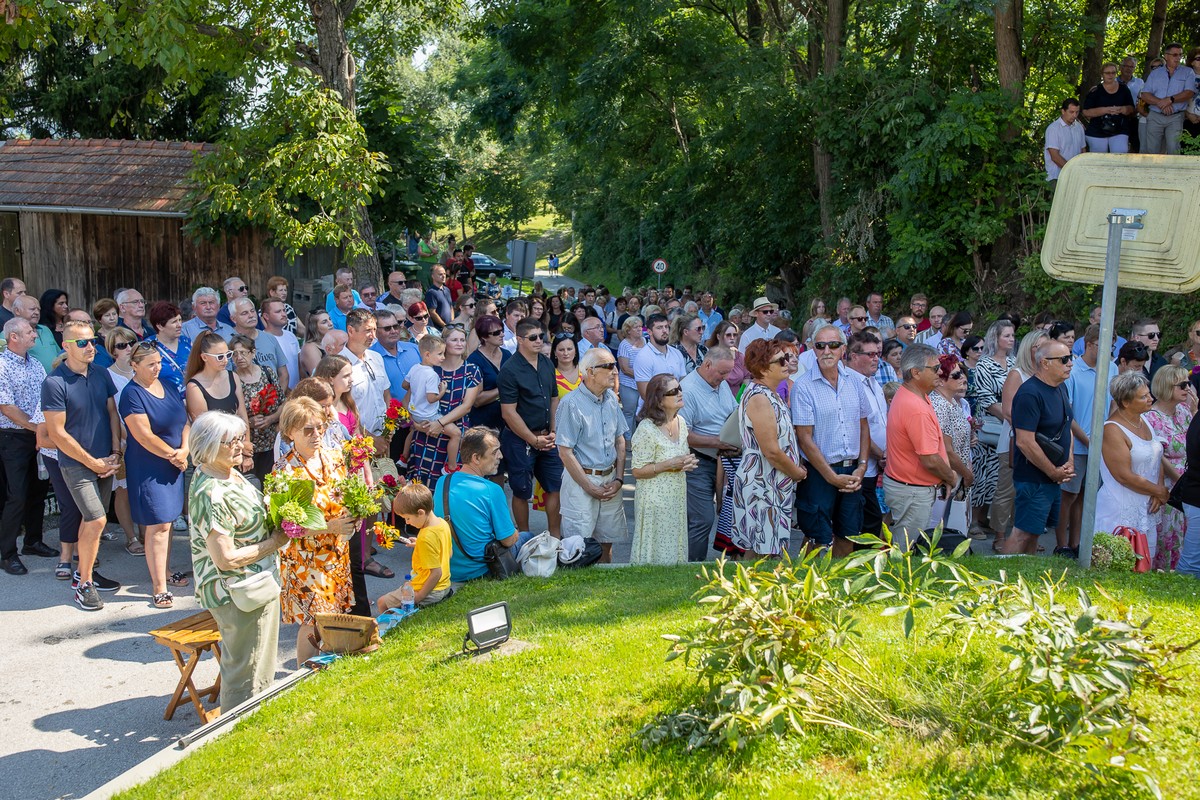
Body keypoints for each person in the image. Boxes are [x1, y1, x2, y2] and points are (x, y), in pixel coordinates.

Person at [187, 411, 289, 708]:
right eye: (230, 441)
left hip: (256, 583)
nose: (240, 446)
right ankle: (236, 729)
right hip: (238, 591)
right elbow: (226, 558)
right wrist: (274, 542)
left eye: (239, 438)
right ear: (207, 445)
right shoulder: (211, 493)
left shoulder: (227, 472)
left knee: (261, 663)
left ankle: (256, 719)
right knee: (245, 670)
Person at [41, 319, 123, 609]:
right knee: (97, 518)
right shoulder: (54, 382)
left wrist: (115, 452)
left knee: (95, 523)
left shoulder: (101, 374)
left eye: (92, 341)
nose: (90, 347)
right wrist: (94, 462)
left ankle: (84, 572)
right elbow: (57, 433)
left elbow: (112, 412)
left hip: (106, 460)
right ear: (66, 346)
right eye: (82, 342)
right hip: (76, 464)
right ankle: (84, 584)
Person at [275, 397, 357, 664]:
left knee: (332, 616)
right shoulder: (286, 470)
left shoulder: (334, 458)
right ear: (290, 432)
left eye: (320, 427)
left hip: (335, 554)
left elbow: (344, 498)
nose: (316, 434)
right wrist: (330, 526)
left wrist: (353, 517)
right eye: (307, 430)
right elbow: (289, 526)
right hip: (305, 560)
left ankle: (325, 668)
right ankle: (303, 674)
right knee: (313, 621)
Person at [121, 341, 191, 608]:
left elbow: (184, 420)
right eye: (150, 364)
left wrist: (184, 449)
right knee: (158, 523)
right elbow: (143, 435)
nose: (156, 368)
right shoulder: (132, 394)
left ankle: (165, 570)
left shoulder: (169, 386)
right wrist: (173, 455)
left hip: (176, 462)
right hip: (150, 465)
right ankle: (159, 586)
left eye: (159, 362)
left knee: (169, 521)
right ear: (135, 365)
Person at [791, 324, 869, 555]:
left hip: (852, 470)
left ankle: (840, 582)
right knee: (817, 536)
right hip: (819, 474)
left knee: (849, 533)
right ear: (813, 349)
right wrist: (831, 477)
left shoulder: (855, 382)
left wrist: (862, 467)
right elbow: (804, 438)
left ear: (843, 349)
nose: (827, 350)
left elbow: (863, 426)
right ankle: (806, 582)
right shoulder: (803, 387)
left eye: (833, 345)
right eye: (820, 345)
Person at [731, 339, 807, 556]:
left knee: (767, 548)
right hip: (762, 482)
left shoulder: (770, 393)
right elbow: (771, 450)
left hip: (772, 481)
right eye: (781, 359)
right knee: (762, 550)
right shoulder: (759, 398)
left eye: (788, 357)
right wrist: (797, 473)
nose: (788, 362)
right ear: (763, 367)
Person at [1003, 338, 1076, 556]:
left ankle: (1027, 575)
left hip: (1052, 476)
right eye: (1064, 360)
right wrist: (1053, 471)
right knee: (1022, 532)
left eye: (1070, 358)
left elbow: (1067, 427)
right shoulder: (1029, 394)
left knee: (1036, 532)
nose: (1070, 363)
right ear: (1045, 363)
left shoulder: (1060, 387)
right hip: (1033, 478)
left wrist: (1069, 461)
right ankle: (1002, 579)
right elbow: (1024, 441)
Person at [434, 427, 533, 581]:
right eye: (494, 452)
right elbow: (507, 540)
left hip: (449, 568)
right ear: (476, 458)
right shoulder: (491, 490)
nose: (500, 456)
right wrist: (514, 532)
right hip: (481, 569)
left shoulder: (442, 481)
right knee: (527, 536)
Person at [557, 348, 628, 561]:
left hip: (609, 481)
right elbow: (565, 452)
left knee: (607, 542)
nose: (614, 371)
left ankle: (605, 588)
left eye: (614, 365)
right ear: (590, 372)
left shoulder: (611, 400)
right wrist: (590, 487)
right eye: (608, 366)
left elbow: (620, 441)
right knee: (577, 547)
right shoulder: (570, 403)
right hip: (581, 481)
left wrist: (619, 479)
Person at [884, 344, 956, 550]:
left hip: (908, 488)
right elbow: (930, 459)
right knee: (905, 553)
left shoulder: (910, 394)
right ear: (916, 372)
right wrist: (950, 476)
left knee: (903, 546)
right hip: (912, 493)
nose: (941, 371)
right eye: (935, 368)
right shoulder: (915, 407)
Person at [0, 318, 54, 575]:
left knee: (39, 490)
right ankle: (7, 553)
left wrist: (42, 429)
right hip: (14, 437)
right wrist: (36, 428)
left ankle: (33, 541)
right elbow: (6, 406)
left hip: (37, 434)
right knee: (17, 494)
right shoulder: (1, 365)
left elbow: (45, 397)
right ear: (14, 337)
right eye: (30, 331)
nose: (35, 334)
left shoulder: (35, 364)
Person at [1092, 372, 1167, 558]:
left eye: (1148, 394)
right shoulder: (1112, 430)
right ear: (1125, 402)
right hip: (1120, 509)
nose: (1150, 399)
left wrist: (1158, 489)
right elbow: (1123, 475)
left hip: (1146, 507)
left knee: (1144, 566)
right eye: (1143, 396)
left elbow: (1156, 455)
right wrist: (1158, 491)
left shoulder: (1145, 420)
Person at [499, 317, 562, 537]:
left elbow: (554, 399)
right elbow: (508, 412)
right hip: (520, 439)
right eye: (532, 337)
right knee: (521, 490)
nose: (538, 341)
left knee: (555, 486)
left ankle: (555, 537)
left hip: (548, 436)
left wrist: (553, 432)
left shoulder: (546, 363)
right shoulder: (509, 370)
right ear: (519, 339)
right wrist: (532, 439)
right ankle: (524, 537)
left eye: (541, 336)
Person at [678, 347, 738, 561]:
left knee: (732, 512)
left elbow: (732, 413)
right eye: (722, 373)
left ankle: (732, 563)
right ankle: (692, 566)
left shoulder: (719, 384)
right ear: (707, 365)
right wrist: (719, 442)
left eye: (729, 372)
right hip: (698, 461)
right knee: (702, 518)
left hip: (724, 459)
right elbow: (683, 435)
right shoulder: (688, 389)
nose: (725, 378)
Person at [630, 374, 695, 564]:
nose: (680, 393)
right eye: (673, 391)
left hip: (676, 494)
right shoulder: (646, 429)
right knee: (655, 547)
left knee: (674, 543)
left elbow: (679, 458)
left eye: (680, 388)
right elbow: (637, 471)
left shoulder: (681, 422)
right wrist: (669, 465)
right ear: (659, 400)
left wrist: (687, 463)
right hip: (654, 497)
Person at [407, 326, 479, 486]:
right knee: (423, 486)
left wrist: (440, 423)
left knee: (452, 487)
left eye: (462, 340)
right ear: (444, 343)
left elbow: (467, 406)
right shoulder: (430, 368)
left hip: (455, 432)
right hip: (426, 431)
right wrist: (416, 424)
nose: (460, 343)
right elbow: (411, 398)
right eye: (454, 340)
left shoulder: (471, 370)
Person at [1145, 365, 1196, 569]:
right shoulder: (1151, 418)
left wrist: (1195, 411)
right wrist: (1178, 479)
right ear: (1167, 387)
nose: (1188, 388)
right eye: (1182, 385)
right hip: (1167, 482)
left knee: (1185, 532)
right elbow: (1158, 455)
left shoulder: (1184, 411)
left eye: (1189, 383)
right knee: (1167, 532)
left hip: (1187, 480)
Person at [970, 320, 1015, 540]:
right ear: (995, 338)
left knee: (999, 477)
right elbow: (986, 398)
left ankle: (990, 519)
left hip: (1009, 426)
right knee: (982, 475)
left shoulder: (1015, 363)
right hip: (990, 426)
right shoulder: (984, 364)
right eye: (1006, 335)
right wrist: (1010, 417)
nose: (1011, 339)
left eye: (1013, 335)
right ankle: (973, 522)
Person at [377, 483, 454, 609]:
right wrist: (420, 545)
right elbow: (448, 553)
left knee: (382, 603)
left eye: (407, 518)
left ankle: (393, 626)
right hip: (444, 586)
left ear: (420, 512)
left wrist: (419, 596)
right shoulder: (442, 524)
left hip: (430, 590)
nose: (407, 523)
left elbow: (436, 573)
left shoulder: (426, 537)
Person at [185, 332, 254, 468]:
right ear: (204, 357)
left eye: (228, 355)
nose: (225, 360)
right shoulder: (194, 386)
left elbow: (242, 414)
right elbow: (207, 430)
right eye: (220, 357)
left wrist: (246, 446)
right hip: (214, 455)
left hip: (237, 448)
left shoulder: (232, 376)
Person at [845, 332, 889, 536]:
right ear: (854, 356)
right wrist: (881, 455)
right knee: (864, 524)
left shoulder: (873, 382)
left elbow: (881, 423)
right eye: (870, 354)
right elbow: (858, 429)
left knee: (873, 522)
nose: (876, 358)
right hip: (861, 468)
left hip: (878, 466)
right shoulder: (849, 385)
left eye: (877, 354)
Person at [104, 326, 142, 554]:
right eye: (122, 345)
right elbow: (112, 413)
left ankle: (148, 532)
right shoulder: (107, 375)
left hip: (146, 437)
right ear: (112, 350)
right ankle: (130, 537)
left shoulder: (144, 370)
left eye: (131, 342)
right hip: (124, 439)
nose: (128, 348)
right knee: (124, 490)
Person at [229, 334, 284, 481]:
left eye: (243, 353)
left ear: (253, 353)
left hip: (271, 442)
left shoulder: (267, 372)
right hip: (248, 445)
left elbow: (282, 403)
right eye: (234, 354)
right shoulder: (231, 379)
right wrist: (249, 423)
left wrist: (270, 419)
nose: (239, 357)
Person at [929, 354, 973, 527]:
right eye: (955, 375)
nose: (962, 377)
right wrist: (967, 474)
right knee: (934, 527)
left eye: (961, 372)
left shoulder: (952, 403)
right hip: (944, 478)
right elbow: (946, 450)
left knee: (947, 526)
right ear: (940, 380)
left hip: (955, 475)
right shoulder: (939, 405)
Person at [1139, 43, 1196, 155]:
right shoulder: (1155, 73)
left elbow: (1189, 92)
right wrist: (1161, 103)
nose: (1178, 58)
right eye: (1175, 55)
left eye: (1180, 55)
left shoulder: (1188, 72)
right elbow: (1145, 94)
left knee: (1173, 149)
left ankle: (1173, 173)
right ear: (1166, 56)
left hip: (1175, 117)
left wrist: (1170, 99)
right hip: (1155, 116)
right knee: (1152, 150)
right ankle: (1152, 172)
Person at [229, 297, 288, 392]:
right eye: (244, 313)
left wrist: (277, 400)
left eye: (252, 311)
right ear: (233, 318)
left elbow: (283, 374)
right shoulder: (228, 342)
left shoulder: (270, 338)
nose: (251, 315)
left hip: (273, 400)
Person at [466, 315, 511, 436]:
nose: (502, 334)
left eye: (502, 330)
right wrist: (504, 388)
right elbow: (477, 400)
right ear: (484, 337)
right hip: (484, 425)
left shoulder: (507, 355)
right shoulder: (474, 360)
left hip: (508, 423)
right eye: (496, 332)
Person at [1082, 62, 1136, 152]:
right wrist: (1106, 110)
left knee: (1120, 156)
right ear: (1102, 74)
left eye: (1113, 72)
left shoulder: (1124, 89)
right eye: (1107, 73)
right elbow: (1086, 112)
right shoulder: (1095, 90)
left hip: (1120, 129)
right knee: (1099, 160)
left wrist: (1122, 109)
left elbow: (1131, 108)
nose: (1110, 75)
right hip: (1097, 130)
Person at [634, 313, 686, 400]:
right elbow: (645, 394)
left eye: (666, 327)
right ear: (649, 332)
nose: (665, 330)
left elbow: (683, 384)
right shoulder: (643, 357)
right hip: (652, 411)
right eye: (659, 328)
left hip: (675, 408)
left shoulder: (677, 353)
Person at [146, 301, 192, 398]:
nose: (179, 325)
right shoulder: (147, 347)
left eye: (180, 320)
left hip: (193, 398)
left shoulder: (187, 343)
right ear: (159, 326)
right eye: (174, 322)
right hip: (165, 402)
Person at [261, 298, 300, 391]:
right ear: (266, 316)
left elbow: (299, 365)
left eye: (284, 310)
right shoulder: (262, 340)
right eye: (278, 312)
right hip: (278, 394)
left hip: (297, 392)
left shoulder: (291, 335)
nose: (283, 314)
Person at [616, 316, 645, 439]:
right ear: (628, 330)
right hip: (629, 385)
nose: (639, 329)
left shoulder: (645, 341)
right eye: (636, 327)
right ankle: (628, 440)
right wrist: (643, 375)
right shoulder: (624, 345)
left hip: (644, 384)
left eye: (640, 326)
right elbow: (625, 368)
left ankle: (641, 439)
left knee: (643, 414)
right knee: (629, 413)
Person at [1044, 98, 1086, 183]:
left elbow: (1083, 150)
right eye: (1071, 112)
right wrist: (1071, 170)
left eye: (1077, 112)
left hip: (1076, 176)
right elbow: (1055, 156)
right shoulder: (1053, 129)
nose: (1074, 115)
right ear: (1063, 111)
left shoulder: (1079, 127)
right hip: (1057, 176)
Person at [300, 310, 334, 378]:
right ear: (314, 327)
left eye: (330, 319)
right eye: (324, 322)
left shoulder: (330, 342)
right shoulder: (310, 348)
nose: (330, 323)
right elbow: (319, 377)